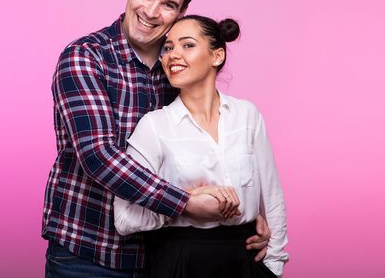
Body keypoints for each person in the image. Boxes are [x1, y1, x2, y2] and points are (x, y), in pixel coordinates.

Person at [42, 0, 271, 278]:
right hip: (89, 253)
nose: (151, 11)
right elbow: (98, 156)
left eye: (168, 4)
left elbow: (213, 145)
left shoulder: (180, 68)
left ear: (182, 11)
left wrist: (246, 216)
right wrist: (185, 202)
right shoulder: (86, 58)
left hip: (164, 255)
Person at [114, 15, 289, 277]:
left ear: (217, 56)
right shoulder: (154, 125)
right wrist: (185, 201)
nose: (173, 55)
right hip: (180, 261)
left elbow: (272, 197)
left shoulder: (247, 115)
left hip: (245, 259)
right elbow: (124, 219)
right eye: (168, 47)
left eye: (187, 45)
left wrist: (274, 265)